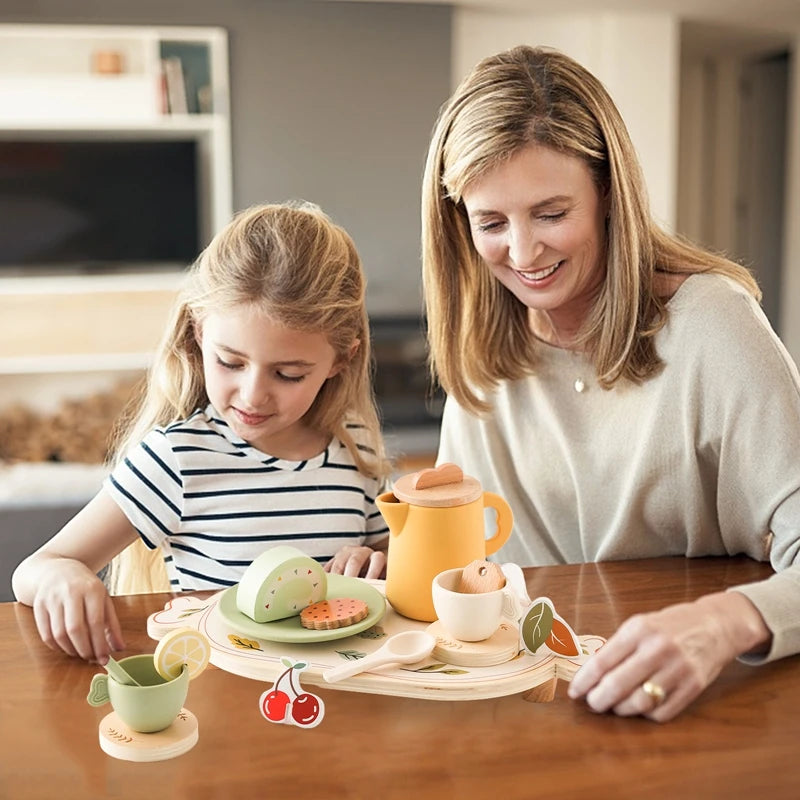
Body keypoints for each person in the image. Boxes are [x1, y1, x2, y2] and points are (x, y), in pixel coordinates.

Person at [421, 44, 800, 722]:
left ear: (605, 194)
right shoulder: (481, 350)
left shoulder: (712, 324)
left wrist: (725, 620)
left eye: (550, 212)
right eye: (491, 223)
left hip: (689, 706)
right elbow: (465, 557)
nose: (524, 252)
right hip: (528, 707)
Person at [12, 201, 391, 664]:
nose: (252, 396)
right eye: (230, 363)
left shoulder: (356, 447)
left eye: (288, 374)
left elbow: (384, 553)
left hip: (337, 695)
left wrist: (375, 559)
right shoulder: (179, 458)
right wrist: (62, 578)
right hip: (220, 696)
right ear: (197, 335)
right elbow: (38, 567)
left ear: (341, 360)